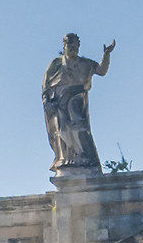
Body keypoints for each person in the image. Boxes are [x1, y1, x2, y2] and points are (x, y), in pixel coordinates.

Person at [42, 33, 114, 172]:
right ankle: (67, 159)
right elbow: (45, 86)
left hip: (76, 101)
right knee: (62, 132)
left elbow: (101, 70)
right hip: (59, 102)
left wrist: (106, 55)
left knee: (79, 128)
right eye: (70, 44)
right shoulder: (56, 64)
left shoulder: (85, 63)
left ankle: (85, 158)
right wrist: (47, 101)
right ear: (64, 45)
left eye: (76, 45)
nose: (73, 48)